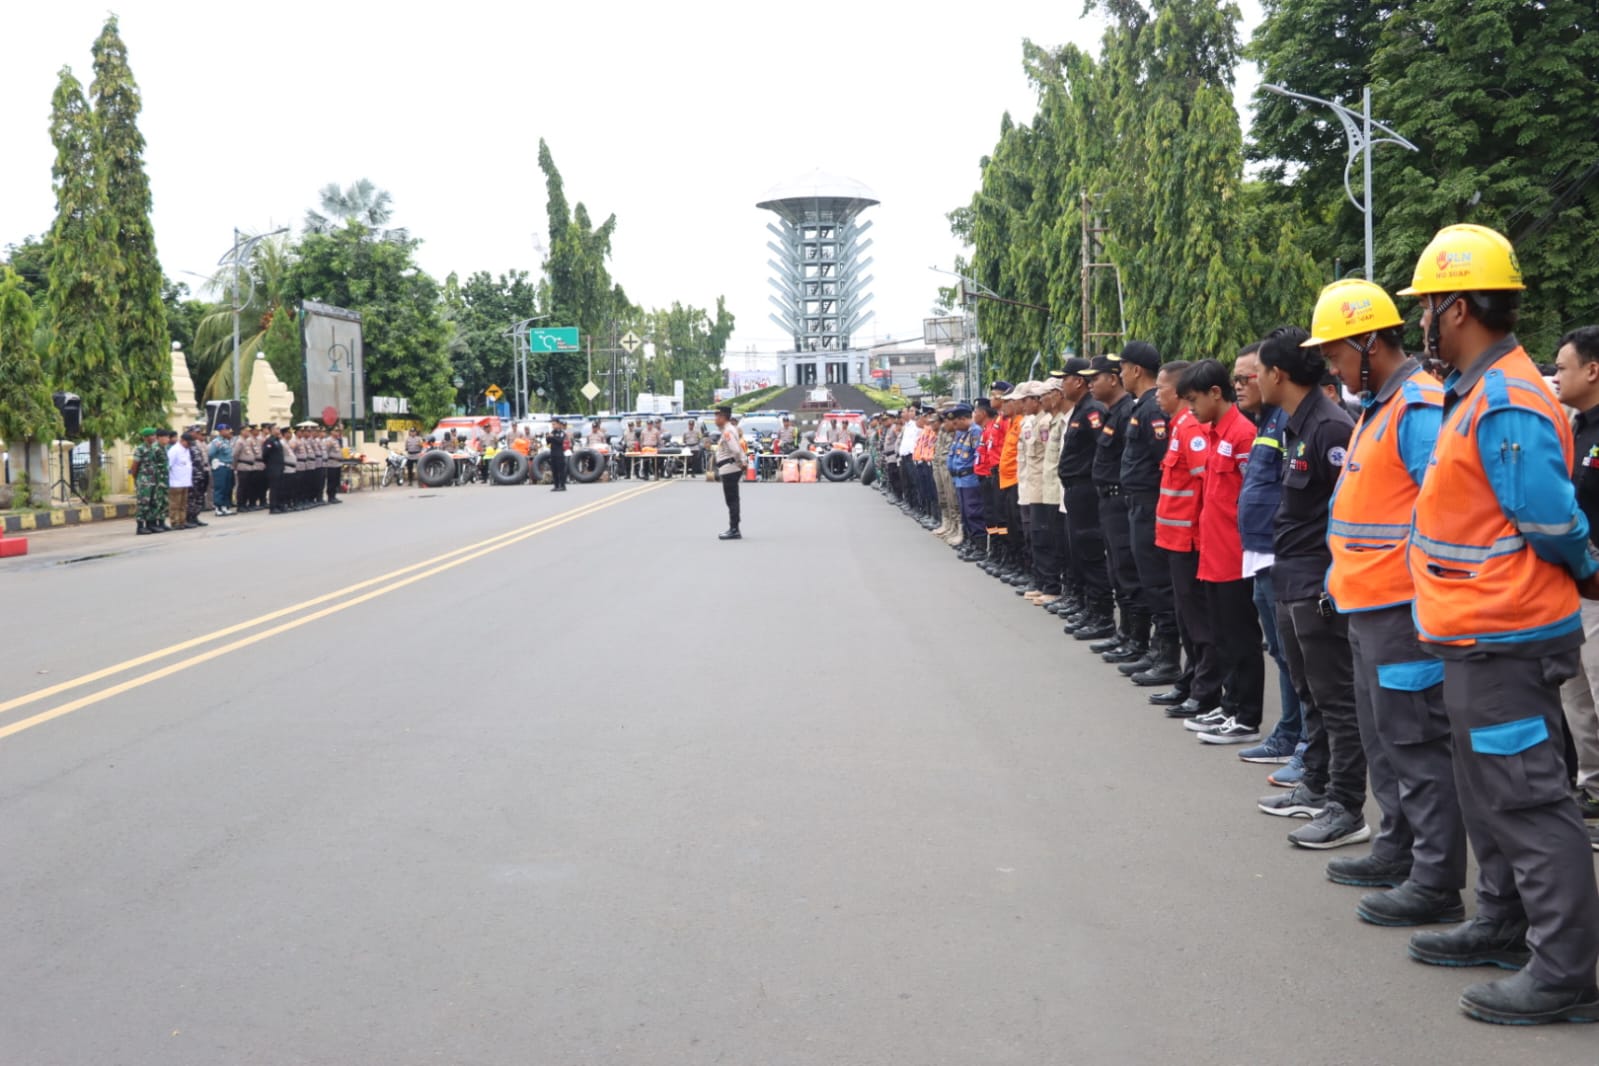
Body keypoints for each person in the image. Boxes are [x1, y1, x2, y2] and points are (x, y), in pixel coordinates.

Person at [1400, 224, 1599, 1025]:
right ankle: (1504, 920)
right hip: (1475, 632)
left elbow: (1549, 519)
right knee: (1492, 794)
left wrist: (1584, 563)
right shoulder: (1476, 390)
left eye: (1426, 308)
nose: (1421, 322)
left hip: (1504, 632)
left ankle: (1564, 972)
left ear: (1455, 309)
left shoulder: (1505, 397)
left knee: (1526, 801)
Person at [1305, 277, 1467, 926]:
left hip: (1401, 613)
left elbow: (1444, 510)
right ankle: (1398, 847)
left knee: (1416, 745)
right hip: (1365, 608)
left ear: (1369, 344)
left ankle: (1435, 879)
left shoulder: (1417, 407)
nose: (1332, 369)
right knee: (1383, 741)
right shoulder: (1379, 406)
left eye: (1335, 355)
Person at [1252, 325, 1369, 851]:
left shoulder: (1331, 427)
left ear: (1278, 374)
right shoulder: (1295, 423)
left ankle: (1346, 804)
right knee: (1310, 692)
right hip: (1292, 575)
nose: (1253, 381)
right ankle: (1317, 783)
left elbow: (1349, 512)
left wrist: (1330, 581)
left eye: (1257, 372)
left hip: (1319, 583)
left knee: (1336, 699)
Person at [1180, 359, 1266, 746]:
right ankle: (1230, 705)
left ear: (1216, 393)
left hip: (1234, 556)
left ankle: (1246, 716)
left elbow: (1251, 497)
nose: (1190, 409)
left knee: (1241, 638)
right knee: (1223, 637)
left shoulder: (1243, 434)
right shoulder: (1217, 432)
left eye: (1193, 400)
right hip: (1213, 554)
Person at [1232, 344, 1308, 775]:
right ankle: (1289, 731)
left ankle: (1306, 745)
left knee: (1296, 657)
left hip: (1282, 554)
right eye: (1237, 379)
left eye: (1248, 377)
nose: (1241, 386)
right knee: (1281, 652)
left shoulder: (1291, 422)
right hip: (1260, 552)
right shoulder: (1264, 421)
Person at [1553, 324, 1599, 844]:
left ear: (1592, 370)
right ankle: (1592, 790)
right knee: (1578, 695)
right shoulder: (1573, 427)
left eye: (1563, 367)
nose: (1556, 376)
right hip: (1575, 581)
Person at [1118, 341, 1182, 685]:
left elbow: (1163, 460)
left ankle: (1168, 658)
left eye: (1122, 368)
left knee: (1157, 582)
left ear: (1136, 370)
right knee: (1146, 578)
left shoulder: (1151, 410)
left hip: (1150, 503)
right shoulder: (1141, 406)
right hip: (1138, 503)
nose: (1121, 375)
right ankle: (1155, 650)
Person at [1153, 360, 1214, 708]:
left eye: (1160, 388)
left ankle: (1204, 691)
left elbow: (1207, 483)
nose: (1156, 394)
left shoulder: (1190, 429)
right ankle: (1190, 682)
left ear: (1177, 391)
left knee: (1197, 620)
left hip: (1190, 540)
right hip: (1174, 539)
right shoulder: (1178, 427)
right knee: (1185, 618)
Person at [1058, 358, 1115, 640]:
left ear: (1077, 381)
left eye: (1065, 379)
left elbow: (1101, 451)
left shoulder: (1092, 411)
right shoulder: (1081, 409)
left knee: (1091, 552)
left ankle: (1102, 615)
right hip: (1075, 490)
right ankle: (1090, 608)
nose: (1061, 385)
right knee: (1081, 551)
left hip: (1087, 490)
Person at [1090, 356, 1140, 662]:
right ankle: (1125, 632)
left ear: (1112, 379)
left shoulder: (1126, 412)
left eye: (1095, 378)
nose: (1091, 384)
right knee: (1117, 570)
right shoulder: (1112, 413)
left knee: (1127, 570)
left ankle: (1138, 639)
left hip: (1121, 501)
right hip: (1108, 501)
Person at [713, 405, 746, 539]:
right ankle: (734, 527)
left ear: (723, 417)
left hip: (730, 469)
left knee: (732, 500)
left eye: (717, 416)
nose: (715, 419)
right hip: (730, 468)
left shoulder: (727, 431)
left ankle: (734, 529)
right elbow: (739, 448)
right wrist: (742, 462)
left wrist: (739, 462)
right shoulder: (729, 429)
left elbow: (736, 450)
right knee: (732, 500)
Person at [132, 427, 168, 534]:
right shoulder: (140, 449)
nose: (153, 437)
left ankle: (150, 524)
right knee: (143, 503)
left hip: (154, 479)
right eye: (151, 435)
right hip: (144, 480)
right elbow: (134, 466)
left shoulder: (154, 448)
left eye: (154, 435)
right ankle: (140, 526)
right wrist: (136, 479)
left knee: (153, 502)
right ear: (145, 437)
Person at [167, 429, 194, 530]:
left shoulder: (186, 449)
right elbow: (168, 465)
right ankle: (175, 522)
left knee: (183, 504)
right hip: (176, 482)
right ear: (182, 440)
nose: (189, 445)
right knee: (175, 504)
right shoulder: (174, 450)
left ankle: (182, 521)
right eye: (188, 442)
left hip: (185, 481)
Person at [207, 423, 235, 516]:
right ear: (221, 431)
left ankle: (225, 506)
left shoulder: (226, 441)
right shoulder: (217, 442)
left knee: (227, 487)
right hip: (220, 466)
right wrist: (215, 462)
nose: (228, 432)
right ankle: (218, 507)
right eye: (226, 430)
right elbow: (210, 454)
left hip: (228, 466)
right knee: (220, 487)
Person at [185, 428, 210, 527]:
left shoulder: (196, 444)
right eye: (196, 433)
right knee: (191, 498)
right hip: (192, 475)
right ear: (190, 432)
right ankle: (189, 518)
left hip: (200, 473)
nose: (198, 434)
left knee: (199, 496)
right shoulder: (186, 445)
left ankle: (195, 516)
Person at [262, 424, 287, 514]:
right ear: (271, 430)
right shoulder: (270, 441)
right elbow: (265, 454)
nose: (278, 430)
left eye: (279, 428)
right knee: (274, 488)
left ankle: (280, 505)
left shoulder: (277, 440)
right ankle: (273, 507)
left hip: (280, 467)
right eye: (277, 428)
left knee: (280, 487)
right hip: (273, 467)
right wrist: (270, 464)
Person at [546, 418, 569, 491]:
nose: (553, 426)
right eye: (552, 424)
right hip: (553, 453)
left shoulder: (561, 432)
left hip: (559, 453)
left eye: (554, 424)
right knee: (554, 470)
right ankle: (556, 485)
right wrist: (547, 437)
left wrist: (553, 437)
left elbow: (560, 441)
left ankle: (562, 485)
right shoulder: (552, 432)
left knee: (560, 470)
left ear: (558, 424)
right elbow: (548, 443)